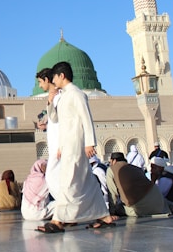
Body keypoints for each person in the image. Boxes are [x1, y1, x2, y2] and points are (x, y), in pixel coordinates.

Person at [36, 62, 115, 233]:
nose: (53, 80)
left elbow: (86, 118)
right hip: (68, 145)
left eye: (55, 77)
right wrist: (50, 102)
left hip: (77, 145)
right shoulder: (64, 96)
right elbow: (56, 120)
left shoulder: (77, 94)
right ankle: (105, 216)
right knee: (87, 182)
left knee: (68, 181)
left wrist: (89, 143)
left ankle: (58, 220)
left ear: (62, 76)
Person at [106, 152, 173, 217]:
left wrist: (111, 213)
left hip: (140, 207)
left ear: (113, 161)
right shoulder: (136, 168)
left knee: (120, 208)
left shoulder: (111, 169)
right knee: (161, 200)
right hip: (157, 198)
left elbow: (112, 194)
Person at [35, 67, 62, 201]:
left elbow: (63, 121)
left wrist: (61, 145)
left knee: (52, 177)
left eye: (40, 82)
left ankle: (66, 207)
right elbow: (54, 120)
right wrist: (46, 126)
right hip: (55, 145)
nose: (40, 86)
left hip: (59, 145)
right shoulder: (52, 97)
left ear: (47, 79)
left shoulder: (59, 96)